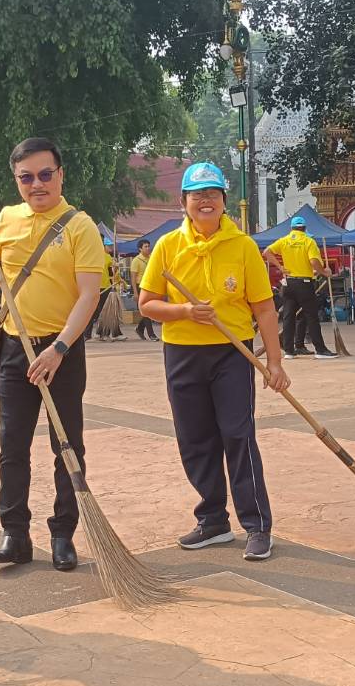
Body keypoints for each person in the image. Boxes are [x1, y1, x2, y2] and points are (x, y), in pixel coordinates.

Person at [138, 162, 285, 561]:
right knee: (195, 439)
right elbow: (147, 304)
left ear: (224, 201)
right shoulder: (168, 247)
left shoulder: (243, 247)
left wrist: (274, 361)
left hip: (231, 353)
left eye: (213, 194)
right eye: (197, 194)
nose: (205, 201)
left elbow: (265, 309)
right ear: (182, 202)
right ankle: (213, 519)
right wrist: (185, 310)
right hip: (182, 354)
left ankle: (256, 525)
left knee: (237, 435)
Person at [0, 136, 101, 572]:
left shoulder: (79, 225)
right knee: (12, 446)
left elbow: (88, 295)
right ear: (16, 180)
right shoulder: (6, 219)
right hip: (13, 347)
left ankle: (63, 534)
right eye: (26, 177)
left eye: (46, 175)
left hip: (61, 349)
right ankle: (15, 533)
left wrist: (60, 348)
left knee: (67, 445)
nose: (37, 184)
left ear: (60, 174)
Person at [265, 215, 336, 358]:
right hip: (304, 284)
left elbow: (266, 252)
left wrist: (280, 267)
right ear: (304, 228)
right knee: (311, 316)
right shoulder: (308, 241)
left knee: (288, 316)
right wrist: (324, 272)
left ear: (292, 228)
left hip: (289, 283)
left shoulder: (284, 241)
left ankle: (289, 351)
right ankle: (320, 350)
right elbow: (314, 261)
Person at [130, 239, 157, 340]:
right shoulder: (136, 260)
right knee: (145, 310)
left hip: (150, 287)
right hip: (140, 286)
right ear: (140, 249)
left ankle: (140, 329)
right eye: (145, 246)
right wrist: (135, 293)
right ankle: (151, 334)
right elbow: (133, 278)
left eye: (148, 246)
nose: (148, 248)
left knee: (149, 310)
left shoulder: (151, 259)